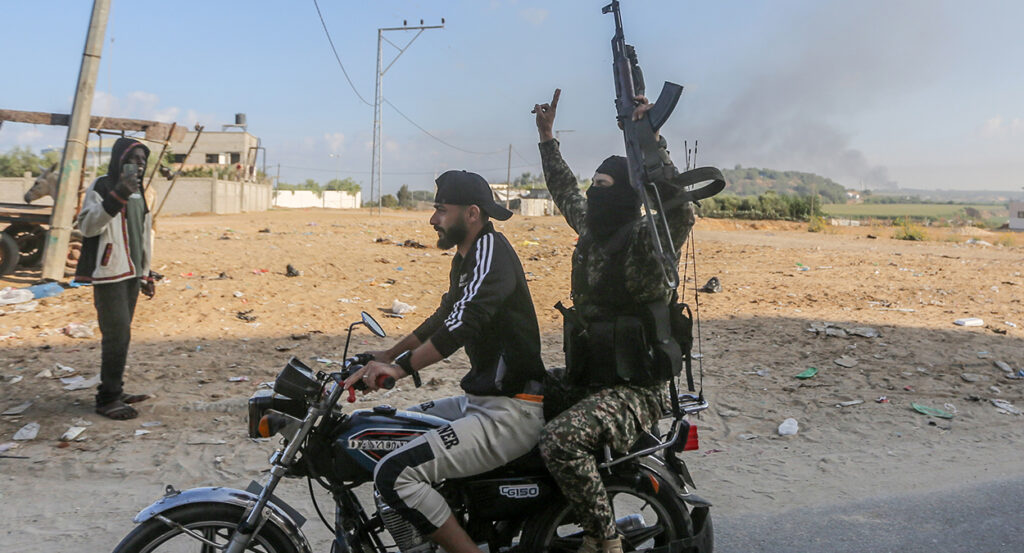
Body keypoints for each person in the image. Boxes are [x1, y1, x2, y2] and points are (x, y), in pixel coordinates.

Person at [343, 170, 546, 553]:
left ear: (472, 213)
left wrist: (400, 369)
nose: (432, 219)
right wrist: (385, 355)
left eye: (440, 210)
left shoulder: (491, 252)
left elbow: (460, 326)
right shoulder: (467, 258)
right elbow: (443, 317)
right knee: (392, 429)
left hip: (511, 411)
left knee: (395, 472)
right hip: (482, 401)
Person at [533, 89, 695, 553]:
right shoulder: (592, 227)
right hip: (592, 376)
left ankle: (604, 539)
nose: (591, 191)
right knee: (517, 397)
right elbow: (564, 189)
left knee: (562, 442)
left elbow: (680, 208)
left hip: (636, 389)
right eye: (594, 183)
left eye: (602, 185)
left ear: (626, 192)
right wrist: (547, 138)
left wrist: (649, 138)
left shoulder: (650, 240)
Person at [75, 137, 157, 421]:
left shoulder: (141, 191)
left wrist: (147, 272)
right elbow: (86, 226)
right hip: (110, 273)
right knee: (116, 335)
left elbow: (144, 232)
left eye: (142, 160)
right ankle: (107, 399)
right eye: (132, 159)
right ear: (119, 161)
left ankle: (115, 389)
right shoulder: (102, 186)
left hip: (133, 273)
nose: (138, 165)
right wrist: (117, 195)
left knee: (122, 336)